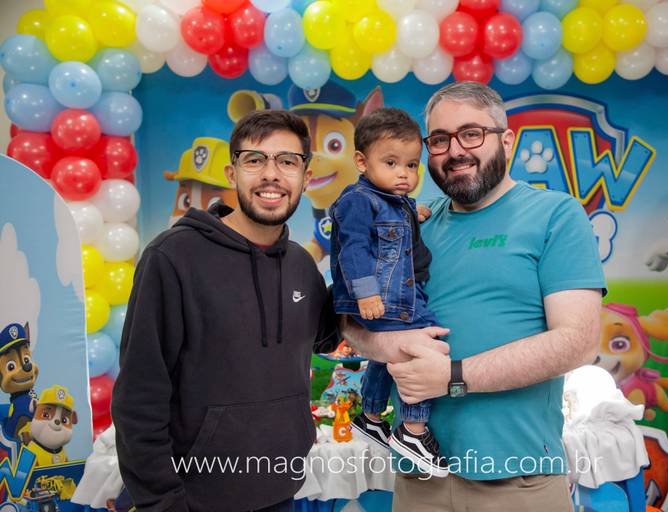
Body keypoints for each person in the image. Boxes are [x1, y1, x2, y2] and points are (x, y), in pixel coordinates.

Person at [343, 81, 606, 511]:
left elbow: (578, 341)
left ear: (507, 141)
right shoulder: (411, 223)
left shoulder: (555, 215)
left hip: (519, 482)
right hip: (419, 481)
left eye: (471, 134)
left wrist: (452, 376)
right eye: (439, 139)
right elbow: (349, 317)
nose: (455, 151)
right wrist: (385, 344)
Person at [112, 110, 340, 512]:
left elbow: (327, 336)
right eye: (255, 160)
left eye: (287, 161)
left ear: (305, 177)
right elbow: (139, 398)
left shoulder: (302, 265)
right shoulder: (172, 258)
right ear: (232, 174)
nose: (271, 174)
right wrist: (163, 502)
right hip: (194, 501)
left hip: (280, 491)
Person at [329, 108, 448, 477]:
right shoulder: (357, 201)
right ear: (361, 162)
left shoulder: (396, 200)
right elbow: (353, 248)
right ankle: (413, 429)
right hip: (385, 298)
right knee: (424, 348)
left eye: (412, 165)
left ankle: (371, 415)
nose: (404, 174)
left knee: (387, 356)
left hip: (401, 295)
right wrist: (366, 292)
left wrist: (415, 211)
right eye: (391, 163)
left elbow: (393, 222)